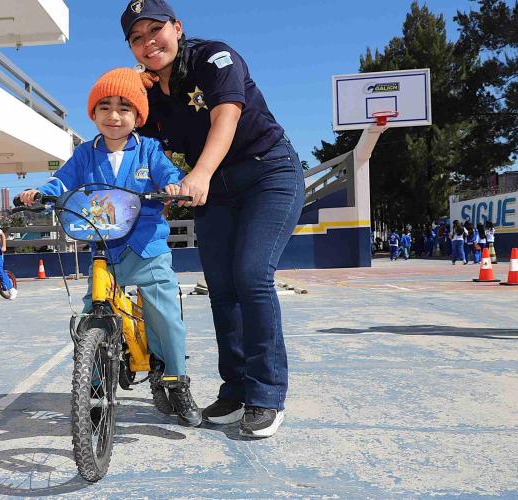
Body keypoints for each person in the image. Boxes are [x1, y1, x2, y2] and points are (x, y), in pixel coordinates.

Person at [121, 0, 305, 438]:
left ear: (177, 28)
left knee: (251, 275)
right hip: (213, 191)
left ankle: (266, 395)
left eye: (155, 30)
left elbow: (227, 115)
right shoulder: (148, 95)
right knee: (221, 287)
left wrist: (198, 173)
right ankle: (236, 389)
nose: (149, 43)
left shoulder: (213, 57)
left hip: (268, 172)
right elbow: (134, 148)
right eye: (136, 37)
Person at [19, 67, 202, 427]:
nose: (114, 116)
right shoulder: (86, 154)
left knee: (164, 311)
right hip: (105, 251)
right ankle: (95, 386)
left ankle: (177, 380)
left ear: (138, 115)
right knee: (91, 316)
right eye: (104, 107)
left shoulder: (148, 149)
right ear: (93, 114)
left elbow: (167, 174)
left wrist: (172, 186)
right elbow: (62, 179)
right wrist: (43, 192)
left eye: (124, 108)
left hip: (146, 246)